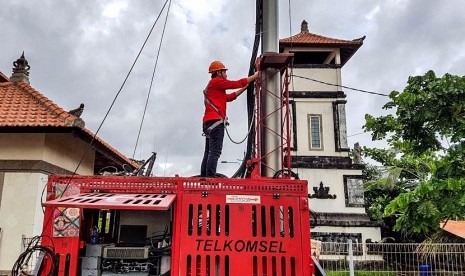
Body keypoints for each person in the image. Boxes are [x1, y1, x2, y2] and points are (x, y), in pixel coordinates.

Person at [200, 61, 259, 177]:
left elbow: (229, 97)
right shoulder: (217, 82)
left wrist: (245, 88)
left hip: (208, 122)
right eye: (224, 72)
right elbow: (236, 83)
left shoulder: (212, 87)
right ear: (218, 72)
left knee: (208, 152)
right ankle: (210, 179)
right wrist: (255, 76)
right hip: (216, 122)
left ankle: (204, 178)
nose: (226, 75)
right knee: (215, 152)